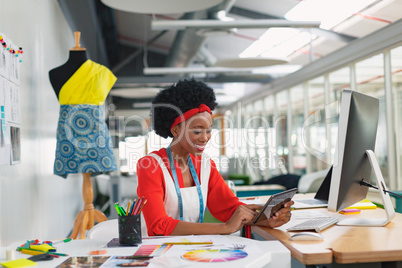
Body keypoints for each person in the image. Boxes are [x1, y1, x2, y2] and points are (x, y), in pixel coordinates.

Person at [137, 79, 293, 236]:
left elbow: (229, 209)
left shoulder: (205, 164)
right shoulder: (150, 165)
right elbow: (158, 226)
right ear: (175, 130)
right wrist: (224, 228)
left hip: (189, 250)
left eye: (209, 130)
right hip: (156, 254)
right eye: (197, 131)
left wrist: (267, 218)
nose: (205, 138)